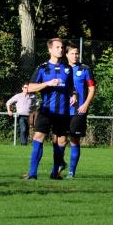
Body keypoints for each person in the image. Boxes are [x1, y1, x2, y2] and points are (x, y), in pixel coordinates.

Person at [23, 38, 75, 179]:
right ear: (50, 50)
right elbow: (31, 87)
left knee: (62, 141)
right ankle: (32, 174)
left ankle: (55, 173)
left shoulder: (68, 69)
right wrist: (47, 83)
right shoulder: (42, 68)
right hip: (46, 111)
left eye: (62, 47)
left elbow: (71, 88)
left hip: (63, 112)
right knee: (38, 137)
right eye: (57, 47)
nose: (61, 49)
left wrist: (74, 95)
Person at [54, 42, 96, 179]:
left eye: (77, 53)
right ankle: (60, 165)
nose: (75, 56)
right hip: (62, 110)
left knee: (74, 140)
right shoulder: (60, 68)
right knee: (60, 140)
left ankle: (71, 172)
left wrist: (85, 105)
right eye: (72, 53)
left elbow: (92, 88)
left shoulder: (85, 69)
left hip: (78, 111)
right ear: (66, 54)